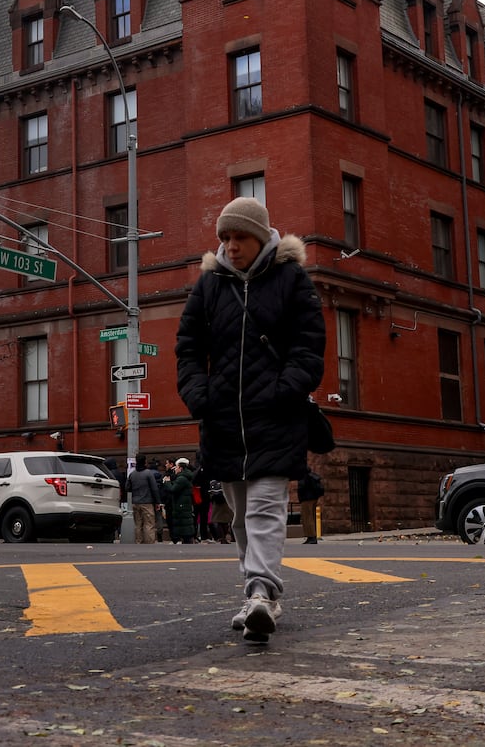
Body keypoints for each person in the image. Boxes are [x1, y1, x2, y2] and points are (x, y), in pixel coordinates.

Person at [176, 196, 326, 643]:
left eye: (239, 236)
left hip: (276, 417)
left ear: (260, 236)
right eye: (225, 237)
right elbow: (187, 347)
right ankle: (259, 595)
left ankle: (261, 592)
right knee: (240, 516)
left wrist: (285, 391)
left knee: (264, 509)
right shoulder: (209, 285)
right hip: (223, 420)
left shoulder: (291, 279)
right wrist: (197, 395)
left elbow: (310, 344)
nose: (231, 245)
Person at [126, 456, 164, 543]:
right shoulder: (148, 473)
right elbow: (154, 488)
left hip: (135, 502)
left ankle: (138, 542)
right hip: (147, 502)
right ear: (145, 462)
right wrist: (158, 502)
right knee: (149, 524)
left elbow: (127, 488)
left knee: (138, 524)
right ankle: (149, 543)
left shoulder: (132, 474)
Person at [164, 457, 198, 543]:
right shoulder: (184, 477)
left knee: (183, 522)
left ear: (181, 468)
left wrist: (167, 482)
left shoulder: (182, 478)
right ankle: (186, 538)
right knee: (185, 522)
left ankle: (185, 538)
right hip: (183, 503)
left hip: (181, 504)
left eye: (177, 467)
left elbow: (173, 489)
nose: (175, 469)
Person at [297, 470, 324, 544]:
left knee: (307, 518)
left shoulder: (304, 476)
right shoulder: (312, 475)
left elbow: (302, 487)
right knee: (311, 517)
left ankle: (311, 537)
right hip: (313, 498)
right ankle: (311, 537)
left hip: (306, 499)